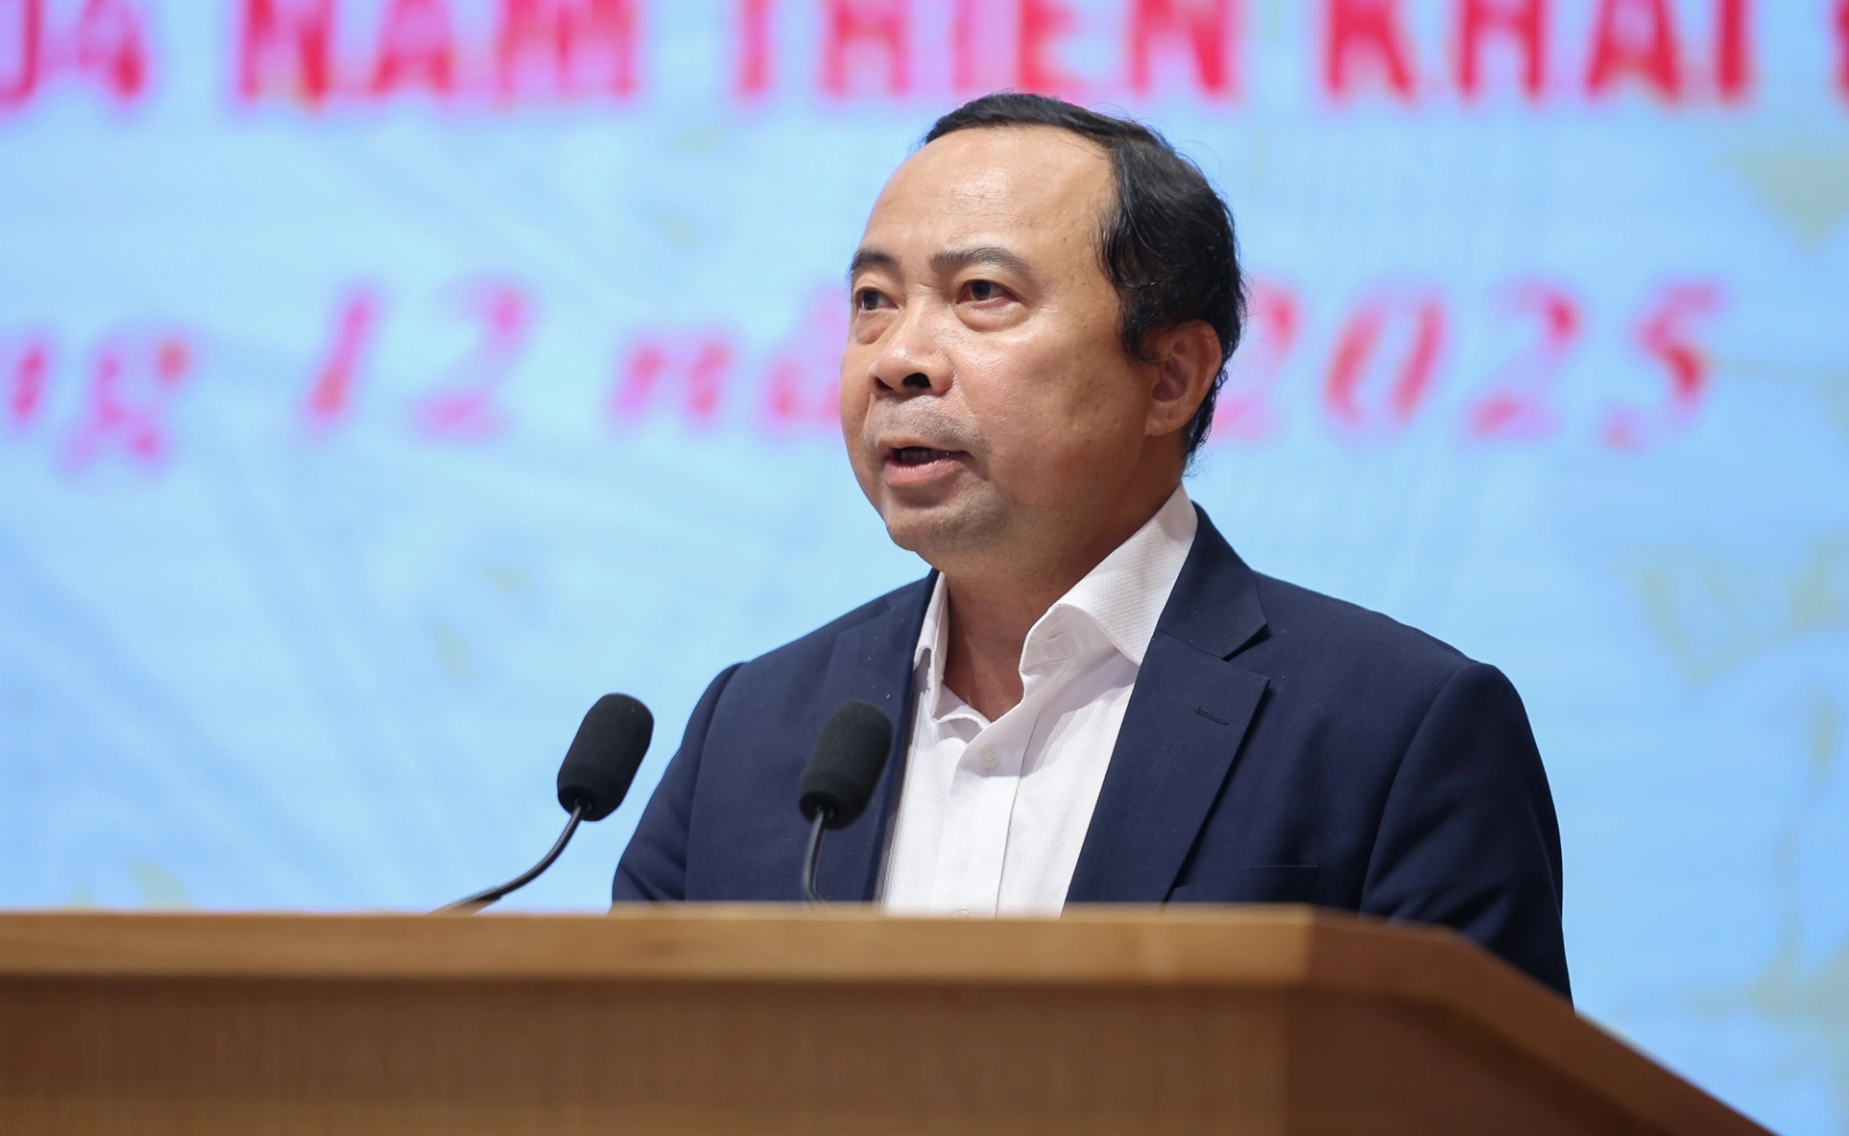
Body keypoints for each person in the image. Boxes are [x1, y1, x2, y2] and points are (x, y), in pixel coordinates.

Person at [613, 92, 1570, 999]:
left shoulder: (1396, 732)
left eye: (981, 292)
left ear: (1171, 376)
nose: (899, 358)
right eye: (873, 299)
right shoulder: (751, 730)